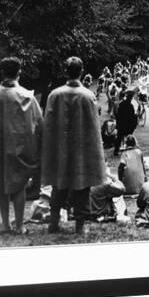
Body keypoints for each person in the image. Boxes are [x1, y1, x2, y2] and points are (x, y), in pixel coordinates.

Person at [41, 57, 105, 235]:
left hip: (60, 149)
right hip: (81, 150)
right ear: (82, 71)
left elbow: (49, 126)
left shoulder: (55, 95)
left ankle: (54, 223)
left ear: (64, 71)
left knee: (58, 185)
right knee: (82, 187)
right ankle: (80, 225)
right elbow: (94, 128)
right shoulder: (88, 96)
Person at [0, 57, 43, 235]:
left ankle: (5, 224)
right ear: (19, 73)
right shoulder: (27, 96)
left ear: (2, 72)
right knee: (19, 186)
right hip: (19, 146)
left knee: (2, 185)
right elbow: (38, 121)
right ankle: (19, 225)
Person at [114, 90, 138, 156]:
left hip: (121, 124)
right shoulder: (131, 106)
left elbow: (118, 114)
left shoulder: (121, 104)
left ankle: (116, 151)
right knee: (129, 138)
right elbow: (132, 116)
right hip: (128, 125)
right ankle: (128, 150)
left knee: (119, 138)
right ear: (131, 98)